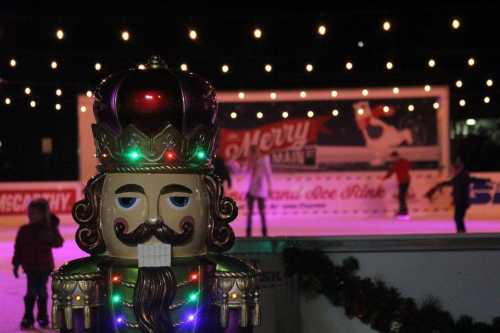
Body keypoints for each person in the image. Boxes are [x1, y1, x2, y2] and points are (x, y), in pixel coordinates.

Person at [12, 199, 64, 330]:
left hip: (44, 267)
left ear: (42, 215)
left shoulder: (47, 229)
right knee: (30, 293)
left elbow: (58, 242)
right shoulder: (24, 230)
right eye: (30, 213)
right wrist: (16, 263)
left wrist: (52, 229)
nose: (31, 216)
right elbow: (18, 248)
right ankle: (28, 317)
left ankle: (42, 316)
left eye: (34, 213)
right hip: (30, 268)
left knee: (41, 292)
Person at [426, 160, 491, 233]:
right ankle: (461, 232)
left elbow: (474, 179)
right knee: (458, 218)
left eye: (453, 169)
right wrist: (440, 184)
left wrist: (486, 180)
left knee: (458, 218)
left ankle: (461, 233)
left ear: (458, 169)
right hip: (459, 201)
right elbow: (450, 182)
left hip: (462, 202)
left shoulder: (463, 177)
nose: (452, 171)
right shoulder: (457, 177)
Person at [246, 145, 272, 237]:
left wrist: (270, 187)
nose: (253, 155)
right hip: (251, 189)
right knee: (250, 212)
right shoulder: (251, 162)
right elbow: (247, 173)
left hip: (260, 190)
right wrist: (250, 164)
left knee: (262, 212)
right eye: (252, 153)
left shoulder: (264, 160)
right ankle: (248, 233)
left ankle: (264, 233)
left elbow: (268, 174)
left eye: (254, 152)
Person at [383, 151, 411, 218]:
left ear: (395, 156)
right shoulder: (404, 161)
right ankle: (403, 210)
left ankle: (403, 211)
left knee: (401, 196)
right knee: (401, 196)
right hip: (406, 180)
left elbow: (391, 171)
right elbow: (409, 165)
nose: (392, 159)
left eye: (392, 157)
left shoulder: (397, 163)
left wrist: (385, 177)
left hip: (403, 181)